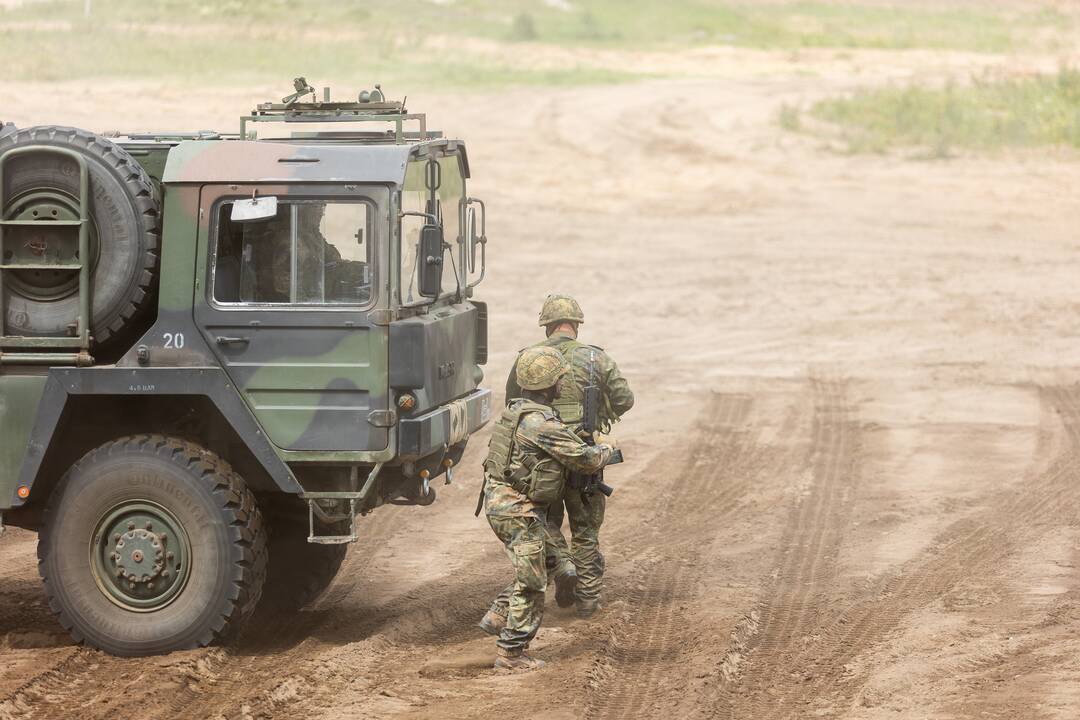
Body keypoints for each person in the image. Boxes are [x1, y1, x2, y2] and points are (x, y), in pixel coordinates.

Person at [478, 346, 615, 670]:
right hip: (518, 512)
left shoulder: (517, 411)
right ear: (550, 385)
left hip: (505, 504)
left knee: (554, 561)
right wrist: (607, 450)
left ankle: (498, 613)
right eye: (558, 381)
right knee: (533, 582)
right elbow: (586, 459)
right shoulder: (541, 424)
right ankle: (511, 653)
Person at [504, 295, 634, 618]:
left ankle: (561, 565)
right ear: (576, 324)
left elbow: (512, 404)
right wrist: (601, 415)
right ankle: (588, 603)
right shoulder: (595, 359)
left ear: (546, 326)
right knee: (586, 532)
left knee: (543, 521)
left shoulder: (528, 358)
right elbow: (625, 399)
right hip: (583, 456)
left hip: (540, 462)